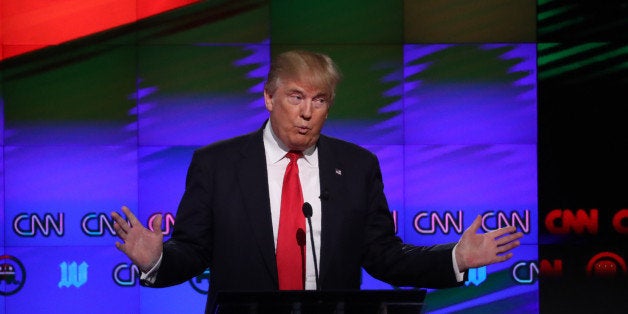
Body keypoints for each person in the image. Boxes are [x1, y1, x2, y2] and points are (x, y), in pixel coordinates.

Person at [111, 49, 523, 313]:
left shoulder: (357, 165)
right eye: (295, 97)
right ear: (269, 98)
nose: (307, 112)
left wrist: (456, 258)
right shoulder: (217, 165)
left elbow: (382, 255)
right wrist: (156, 261)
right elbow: (194, 251)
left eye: (319, 100)